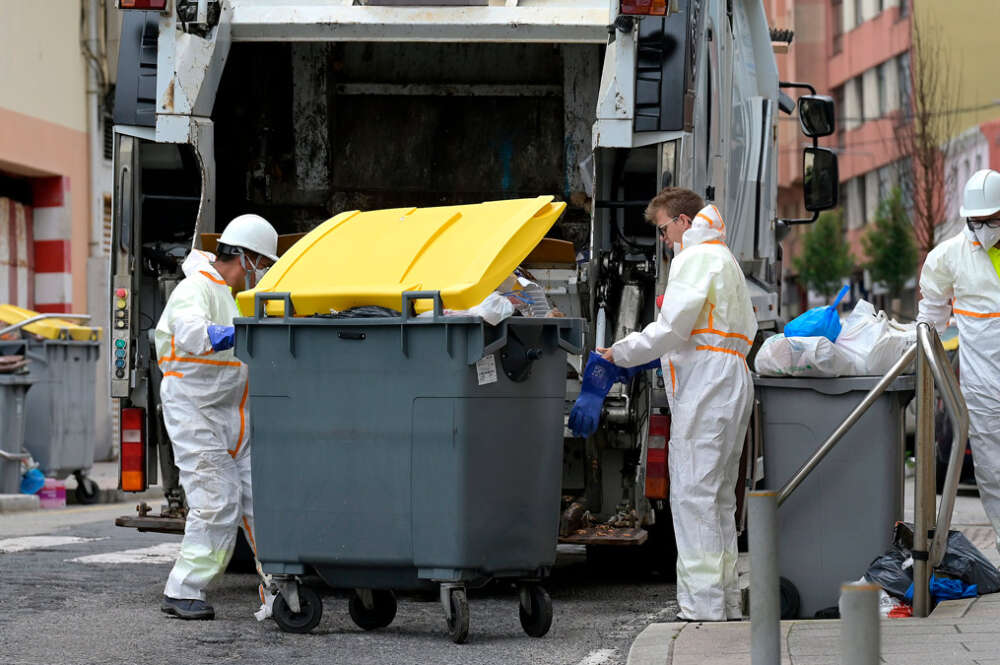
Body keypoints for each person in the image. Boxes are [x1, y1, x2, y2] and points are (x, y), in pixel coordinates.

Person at [598, 188, 757, 621]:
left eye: (665, 229)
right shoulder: (724, 259)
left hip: (707, 382)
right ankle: (722, 601)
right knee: (721, 496)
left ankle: (703, 606)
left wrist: (622, 352)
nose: (665, 240)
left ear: (684, 222)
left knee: (694, 494)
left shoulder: (696, 257)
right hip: (730, 378)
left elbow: (671, 329)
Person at [156, 214, 278, 620]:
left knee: (263, 502)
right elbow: (191, 334)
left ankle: (279, 585)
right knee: (217, 501)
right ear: (243, 257)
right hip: (195, 412)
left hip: (233, 413)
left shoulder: (234, 294)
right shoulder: (196, 289)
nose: (262, 272)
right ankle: (183, 589)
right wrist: (240, 332)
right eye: (261, 263)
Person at [918, 168, 1000, 554]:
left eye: (991, 221)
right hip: (983, 391)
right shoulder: (949, 257)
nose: (983, 229)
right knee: (993, 473)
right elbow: (930, 320)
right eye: (976, 222)